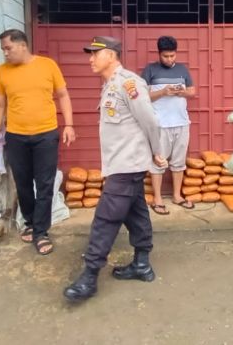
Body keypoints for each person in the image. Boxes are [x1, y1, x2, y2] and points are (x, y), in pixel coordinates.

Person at [64, 36, 166, 301]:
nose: (90, 59)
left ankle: (89, 276)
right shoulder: (110, 84)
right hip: (121, 162)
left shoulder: (129, 83)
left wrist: (157, 152)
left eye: (94, 54)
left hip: (127, 163)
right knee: (135, 211)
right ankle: (142, 264)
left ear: (110, 55)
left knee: (106, 218)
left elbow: (151, 121)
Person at [0, 29, 76, 256]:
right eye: (3, 49)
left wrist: (69, 125)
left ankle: (41, 232)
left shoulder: (47, 65)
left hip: (46, 135)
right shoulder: (2, 72)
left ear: (22, 45)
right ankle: (30, 222)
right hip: (16, 136)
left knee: (44, 184)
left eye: (8, 48)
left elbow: (63, 95)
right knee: (22, 184)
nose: (5, 53)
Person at [141, 35, 196, 214]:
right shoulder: (150, 70)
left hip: (181, 122)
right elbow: (143, 97)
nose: (170, 59)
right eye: (166, 56)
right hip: (160, 124)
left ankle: (177, 196)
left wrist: (182, 92)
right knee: (158, 162)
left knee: (179, 162)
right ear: (159, 54)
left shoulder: (182, 69)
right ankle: (157, 199)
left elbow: (192, 92)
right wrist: (163, 92)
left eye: (172, 55)